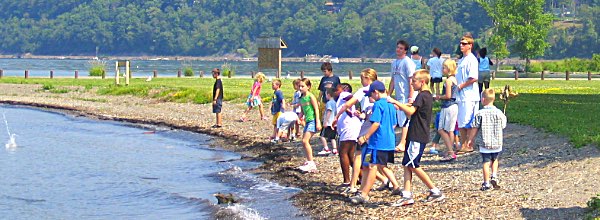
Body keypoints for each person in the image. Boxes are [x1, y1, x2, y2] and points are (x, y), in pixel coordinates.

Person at [389, 69, 445, 206]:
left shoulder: (423, 95)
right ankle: (407, 195)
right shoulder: (424, 95)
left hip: (418, 135)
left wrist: (395, 102)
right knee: (406, 165)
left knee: (413, 165)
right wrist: (405, 105)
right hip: (414, 134)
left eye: (414, 81)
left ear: (422, 82)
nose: (411, 84)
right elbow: (415, 110)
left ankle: (435, 191)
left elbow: (410, 111)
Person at [349, 80, 401, 204]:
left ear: (376, 93)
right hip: (384, 142)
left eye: (371, 95)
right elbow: (394, 124)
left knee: (372, 166)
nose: (371, 98)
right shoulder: (391, 105)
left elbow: (376, 123)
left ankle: (365, 194)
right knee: (366, 165)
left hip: (377, 142)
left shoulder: (378, 105)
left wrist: (365, 137)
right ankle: (362, 191)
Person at [471, 89, 506, 191]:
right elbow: (503, 125)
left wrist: (470, 139)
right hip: (497, 141)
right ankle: (494, 175)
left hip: (484, 142)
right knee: (495, 160)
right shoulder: (499, 113)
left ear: (483, 99)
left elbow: (475, 127)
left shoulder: (480, 113)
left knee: (486, 162)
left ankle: (486, 183)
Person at [388, 40, 416, 152]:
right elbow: (393, 80)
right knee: (400, 120)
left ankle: (403, 143)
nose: (398, 50)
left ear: (405, 51)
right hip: (399, 96)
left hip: (406, 95)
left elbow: (411, 80)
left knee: (405, 121)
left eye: (401, 48)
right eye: (397, 47)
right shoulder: (394, 63)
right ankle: (403, 142)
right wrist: (389, 94)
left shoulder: (407, 62)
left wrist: (410, 97)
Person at [334, 83, 362, 187]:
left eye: (337, 89)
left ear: (344, 89)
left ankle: (346, 180)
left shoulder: (344, 95)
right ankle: (360, 176)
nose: (336, 91)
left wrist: (356, 102)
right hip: (350, 127)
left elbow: (352, 97)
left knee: (343, 153)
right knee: (350, 155)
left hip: (349, 128)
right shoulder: (341, 99)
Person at [456, 35, 480, 153]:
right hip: (461, 95)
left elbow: (474, 78)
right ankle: (464, 143)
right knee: (461, 121)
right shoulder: (461, 60)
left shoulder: (472, 60)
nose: (461, 45)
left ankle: (468, 144)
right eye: (461, 43)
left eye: (464, 44)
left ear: (470, 46)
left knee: (467, 121)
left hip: (469, 95)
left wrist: (461, 86)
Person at [437, 59, 459, 162]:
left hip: (448, 106)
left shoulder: (448, 81)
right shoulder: (454, 79)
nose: (442, 69)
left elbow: (448, 96)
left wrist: (438, 97)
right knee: (450, 130)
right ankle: (450, 150)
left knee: (441, 129)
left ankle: (450, 151)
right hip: (453, 106)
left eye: (444, 68)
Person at [298, 78, 322, 173]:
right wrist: (300, 118)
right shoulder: (301, 98)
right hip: (307, 121)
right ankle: (309, 161)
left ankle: (311, 163)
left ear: (308, 87)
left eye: (303, 86)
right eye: (299, 86)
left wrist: (318, 121)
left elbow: (316, 109)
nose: (300, 88)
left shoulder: (310, 96)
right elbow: (303, 111)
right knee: (304, 142)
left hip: (312, 120)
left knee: (305, 141)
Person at [317, 88, 338, 155]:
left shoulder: (329, 103)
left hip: (328, 123)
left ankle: (326, 148)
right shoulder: (335, 103)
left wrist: (325, 121)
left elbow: (329, 111)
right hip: (334, 123)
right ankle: (335, 149)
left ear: (328, 95)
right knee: (332, 137)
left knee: (322, 136)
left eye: (325, 94)